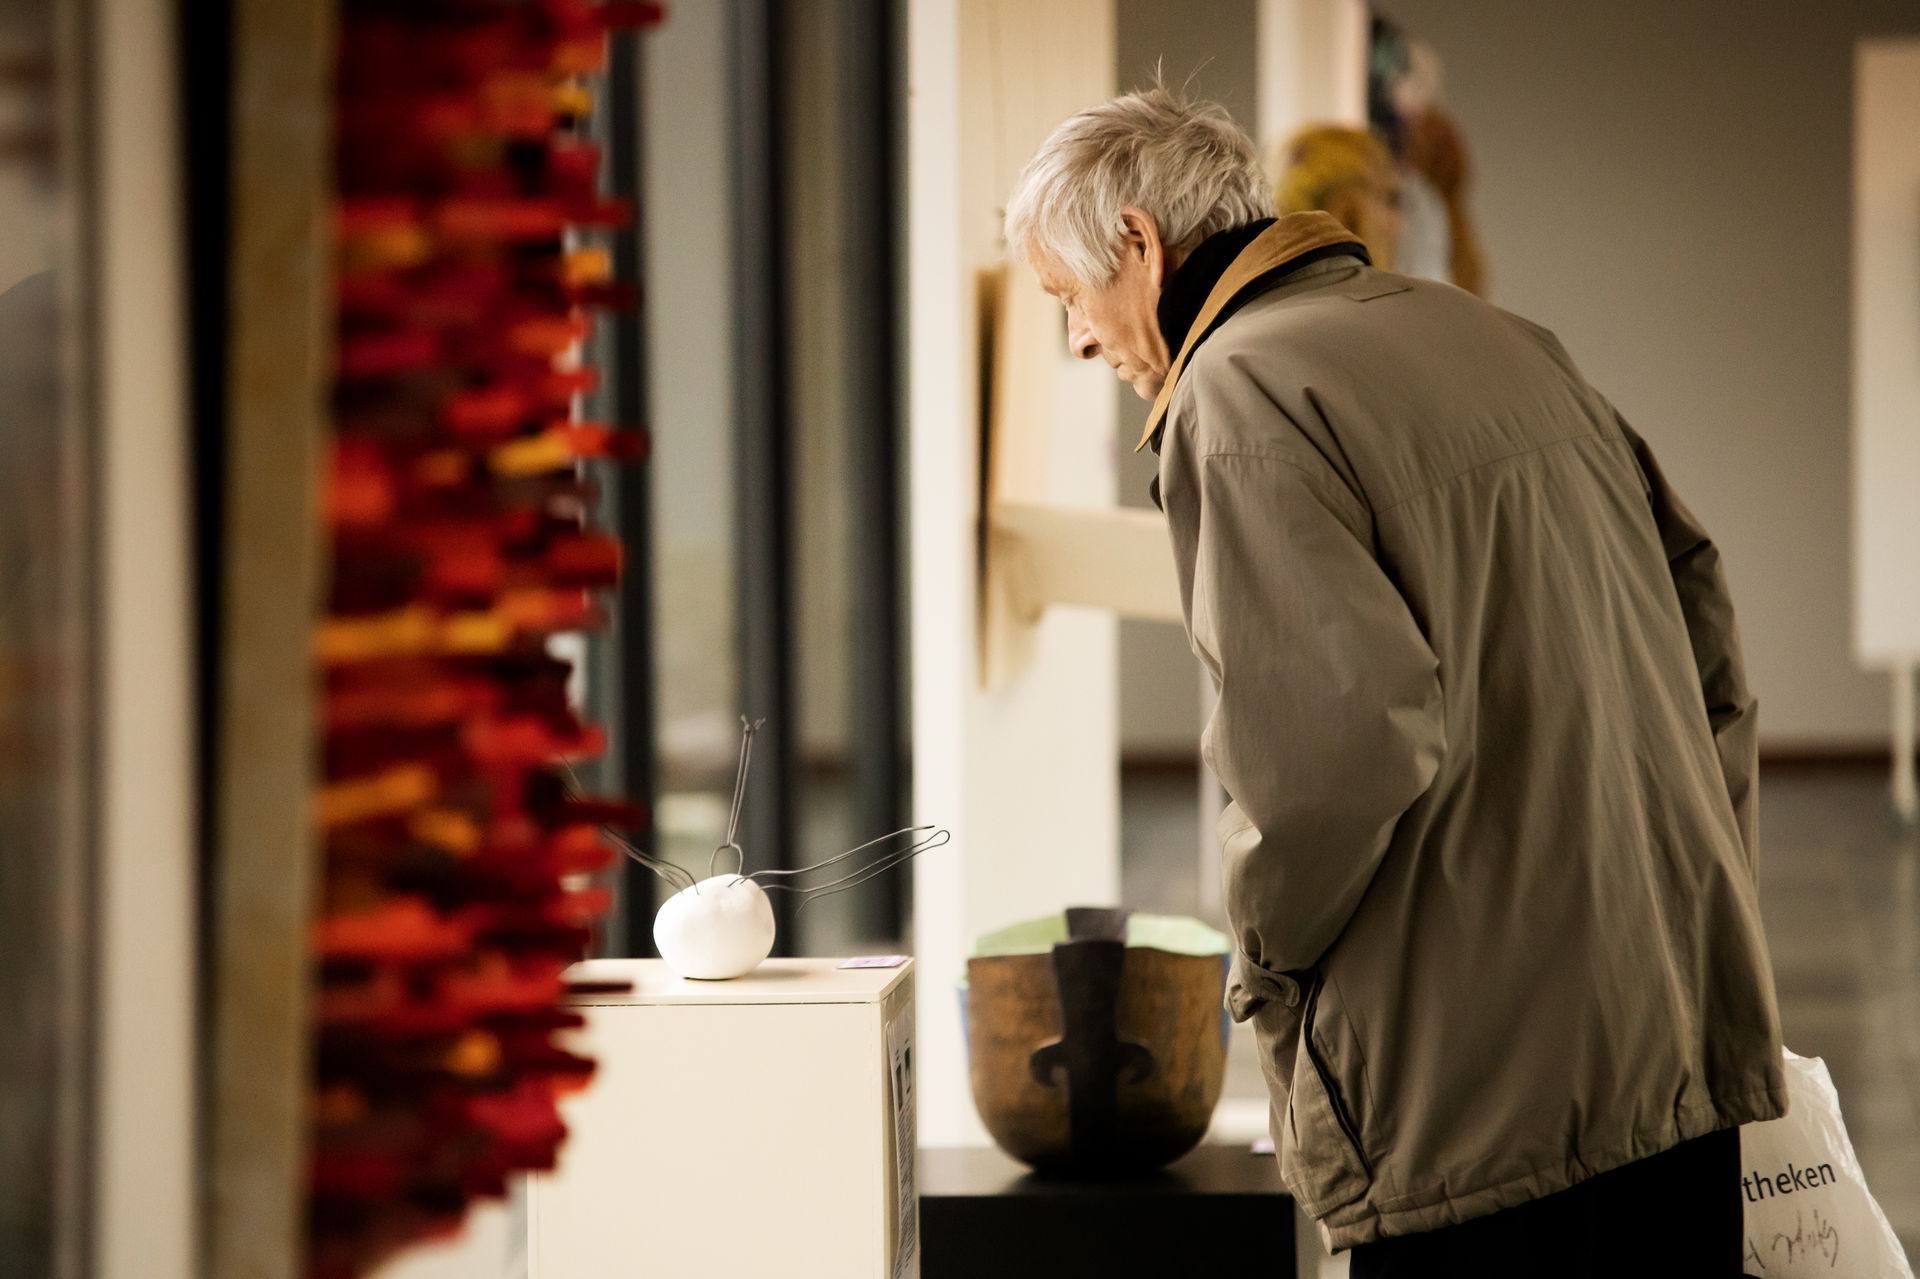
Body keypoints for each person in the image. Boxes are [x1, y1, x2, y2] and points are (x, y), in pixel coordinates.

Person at [1003, 86, 1785, 1276]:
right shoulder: (1500, 336)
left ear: (1139, 244)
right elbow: (1707, 637)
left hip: (1475, 1088)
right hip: (1669, 1024)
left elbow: (1335, 749)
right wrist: (1697, 877)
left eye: (1069, 296)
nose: (1077, 338)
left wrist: (1261, 967)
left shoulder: (1237, 390)